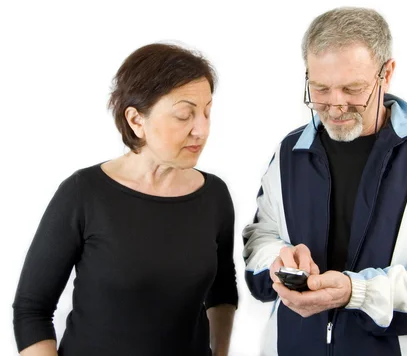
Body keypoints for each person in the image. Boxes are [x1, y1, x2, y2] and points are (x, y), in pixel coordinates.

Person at [243, 7, 407, 355]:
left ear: (386, 73)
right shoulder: (290, 152)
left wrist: (356, 292)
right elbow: (260, 240)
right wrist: (278, 262)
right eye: (320, 89)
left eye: (352, 88)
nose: (336, 104)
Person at [13, 43, 238, 356]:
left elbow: (223, 292)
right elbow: (31, 310)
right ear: (136, 120)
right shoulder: (83, 193)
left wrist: (220, 352)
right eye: (185, 115)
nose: (202, 130)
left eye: (207, 113)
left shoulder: (214, 195)